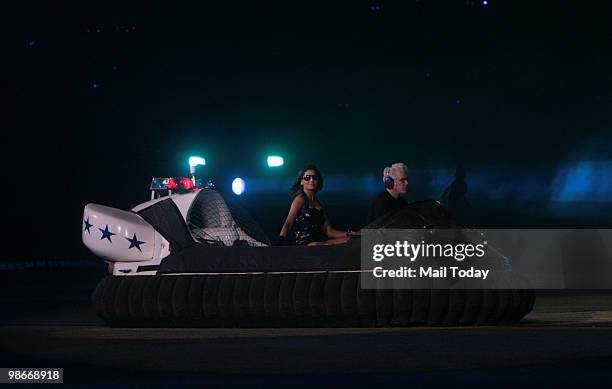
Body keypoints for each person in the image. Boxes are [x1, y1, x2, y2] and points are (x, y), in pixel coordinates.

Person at [279, 164, 357, 246]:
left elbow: (328, 231)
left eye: (314, 177)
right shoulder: (300, 198)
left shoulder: (318, 203)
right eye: (307, 178)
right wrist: (280, 242)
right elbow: (288, 223)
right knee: (325, 245)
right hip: (304, 243)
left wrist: (350, 234)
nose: (311, 180)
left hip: (320, 242)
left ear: (318, 181)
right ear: (301, 181)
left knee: (352, 240)